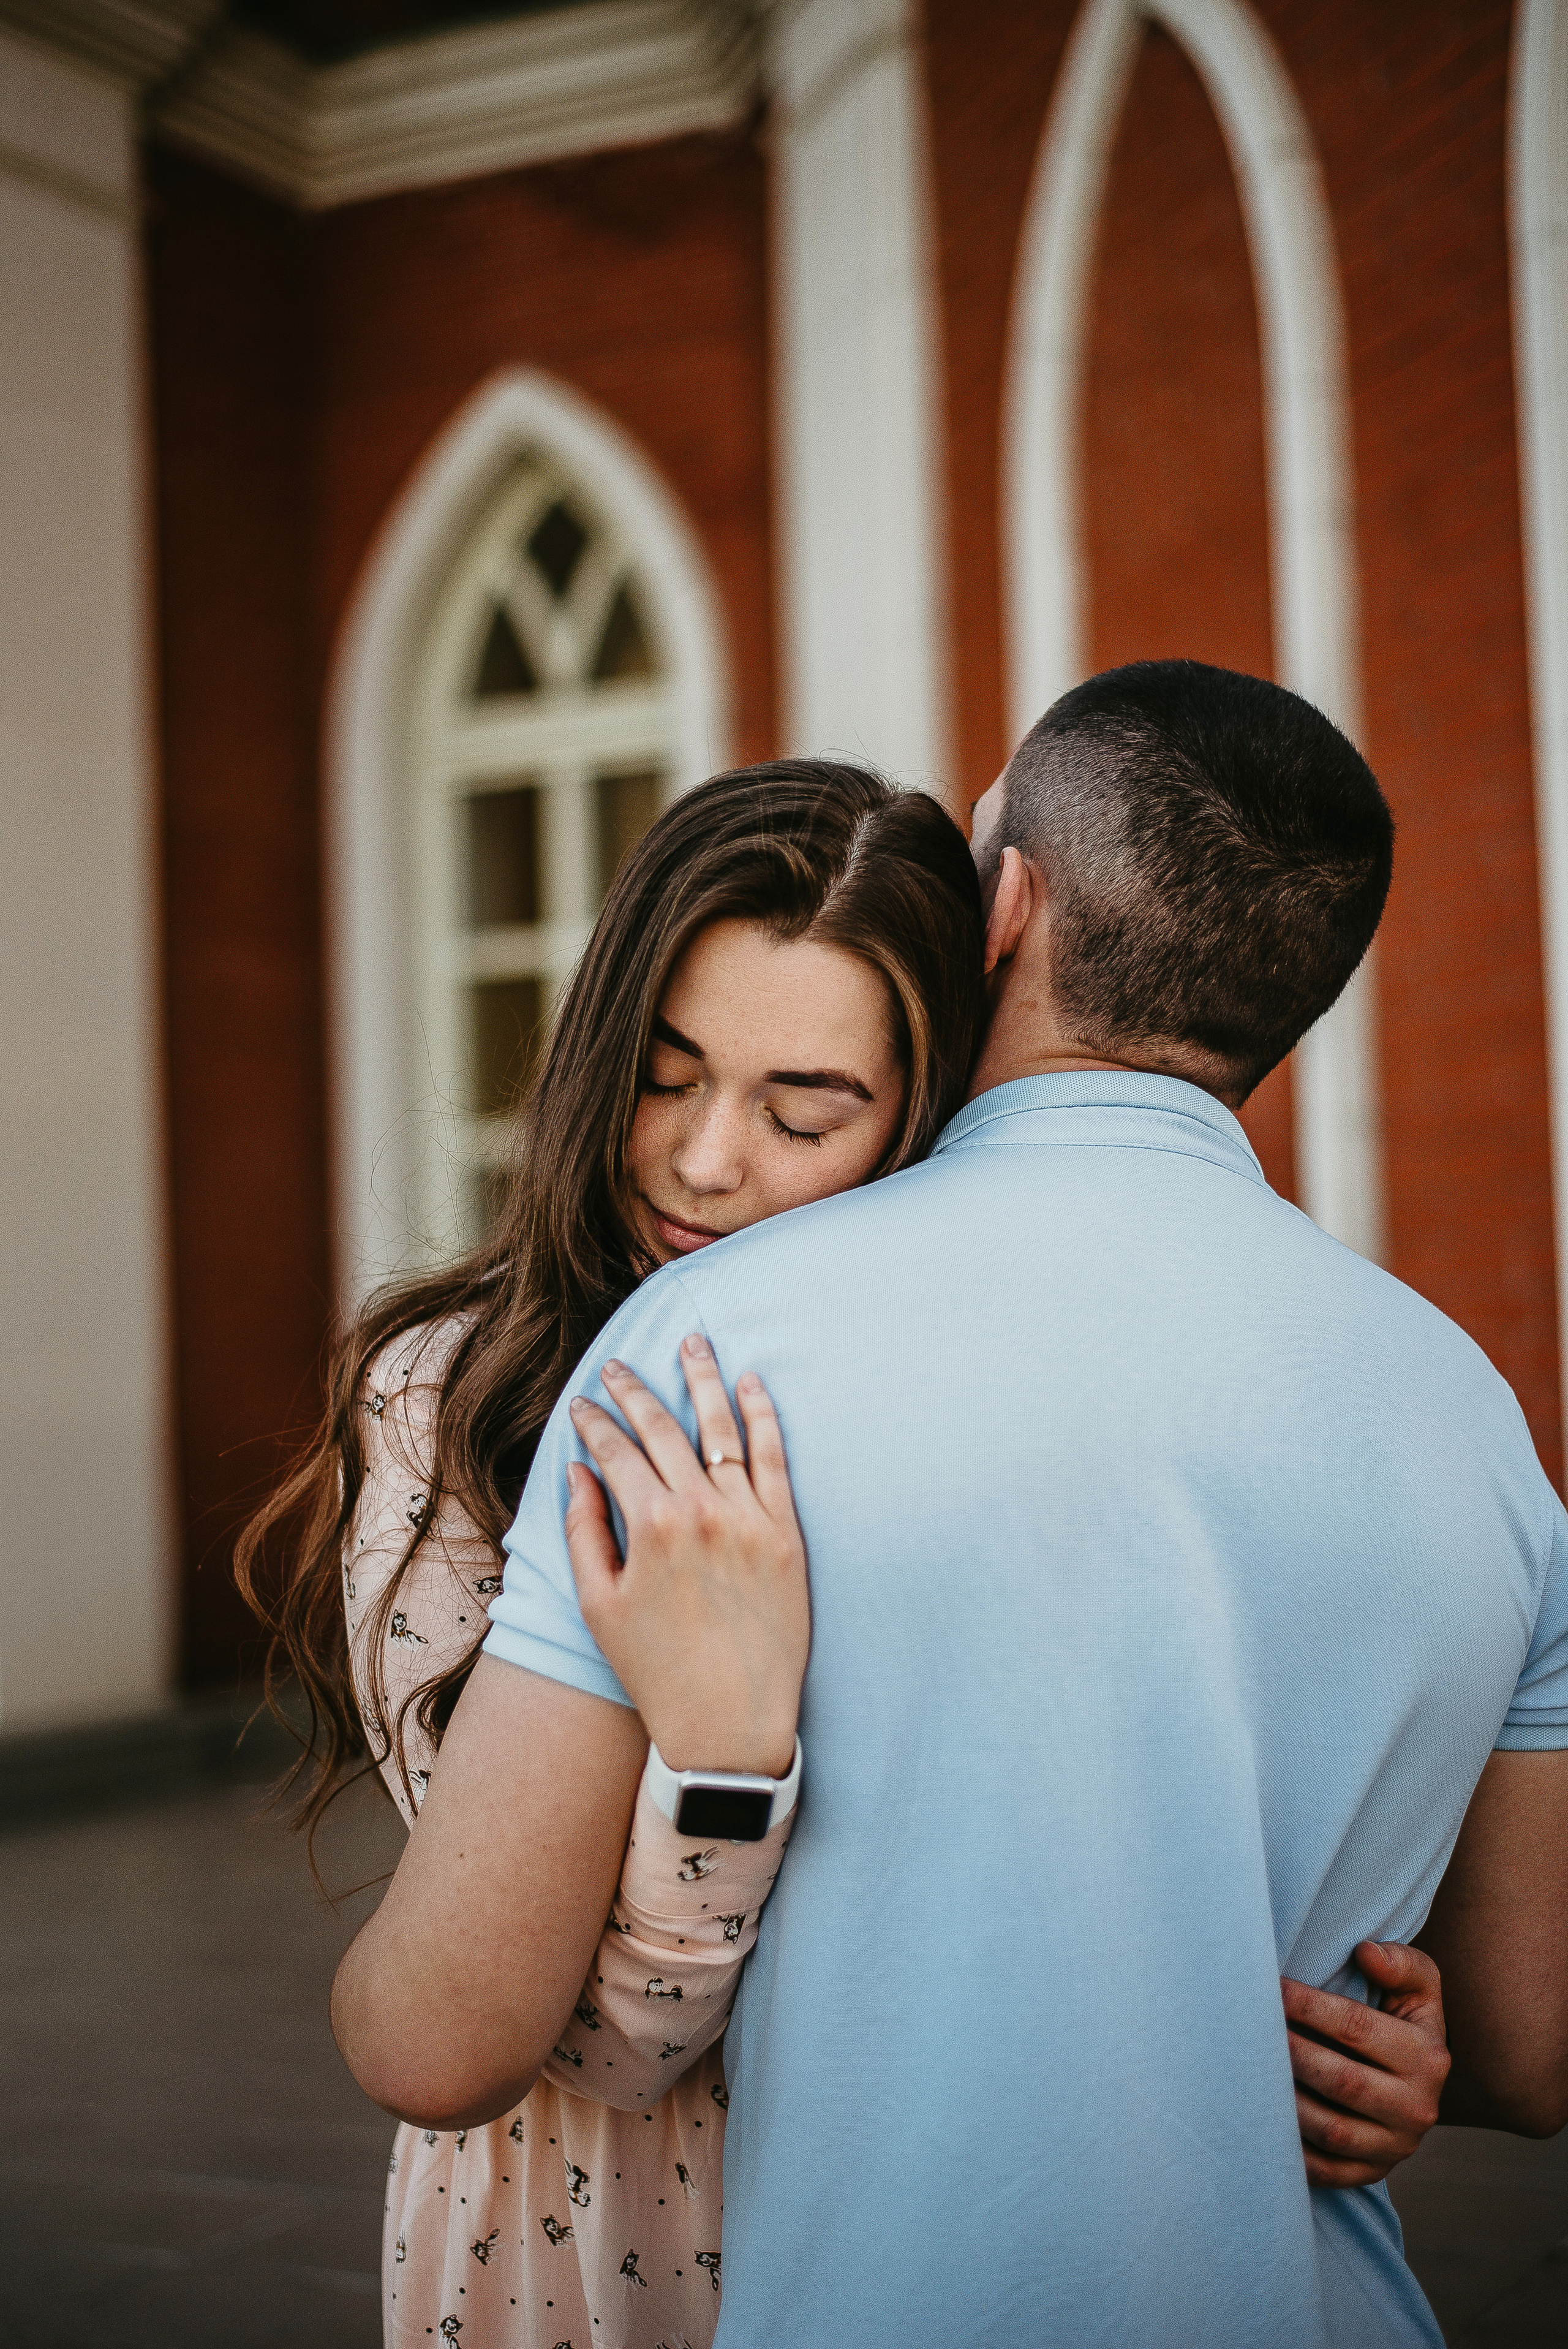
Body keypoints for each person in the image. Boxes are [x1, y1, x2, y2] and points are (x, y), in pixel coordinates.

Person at [324, 674, 1512, 2347]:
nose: (708, 1159)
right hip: (594, 2236)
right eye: (663, 1075)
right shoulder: (459, 1396)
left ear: (936, 1073)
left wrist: (1359, 2048)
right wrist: (719, 1748)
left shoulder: (866, 1350)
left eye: (805, 1110)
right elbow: (525, 2025)